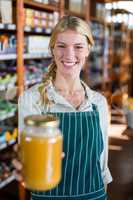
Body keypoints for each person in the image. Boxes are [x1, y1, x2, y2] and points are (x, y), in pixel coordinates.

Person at [15, 15, 112, 200]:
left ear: (88, 50)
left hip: (94, 195)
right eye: (61, 46)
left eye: (78, 47)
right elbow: (27, 160)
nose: (69, 55)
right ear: (52, 49)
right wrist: (23, 167)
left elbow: (102, 165)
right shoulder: (31, 99)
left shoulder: (98, 102)